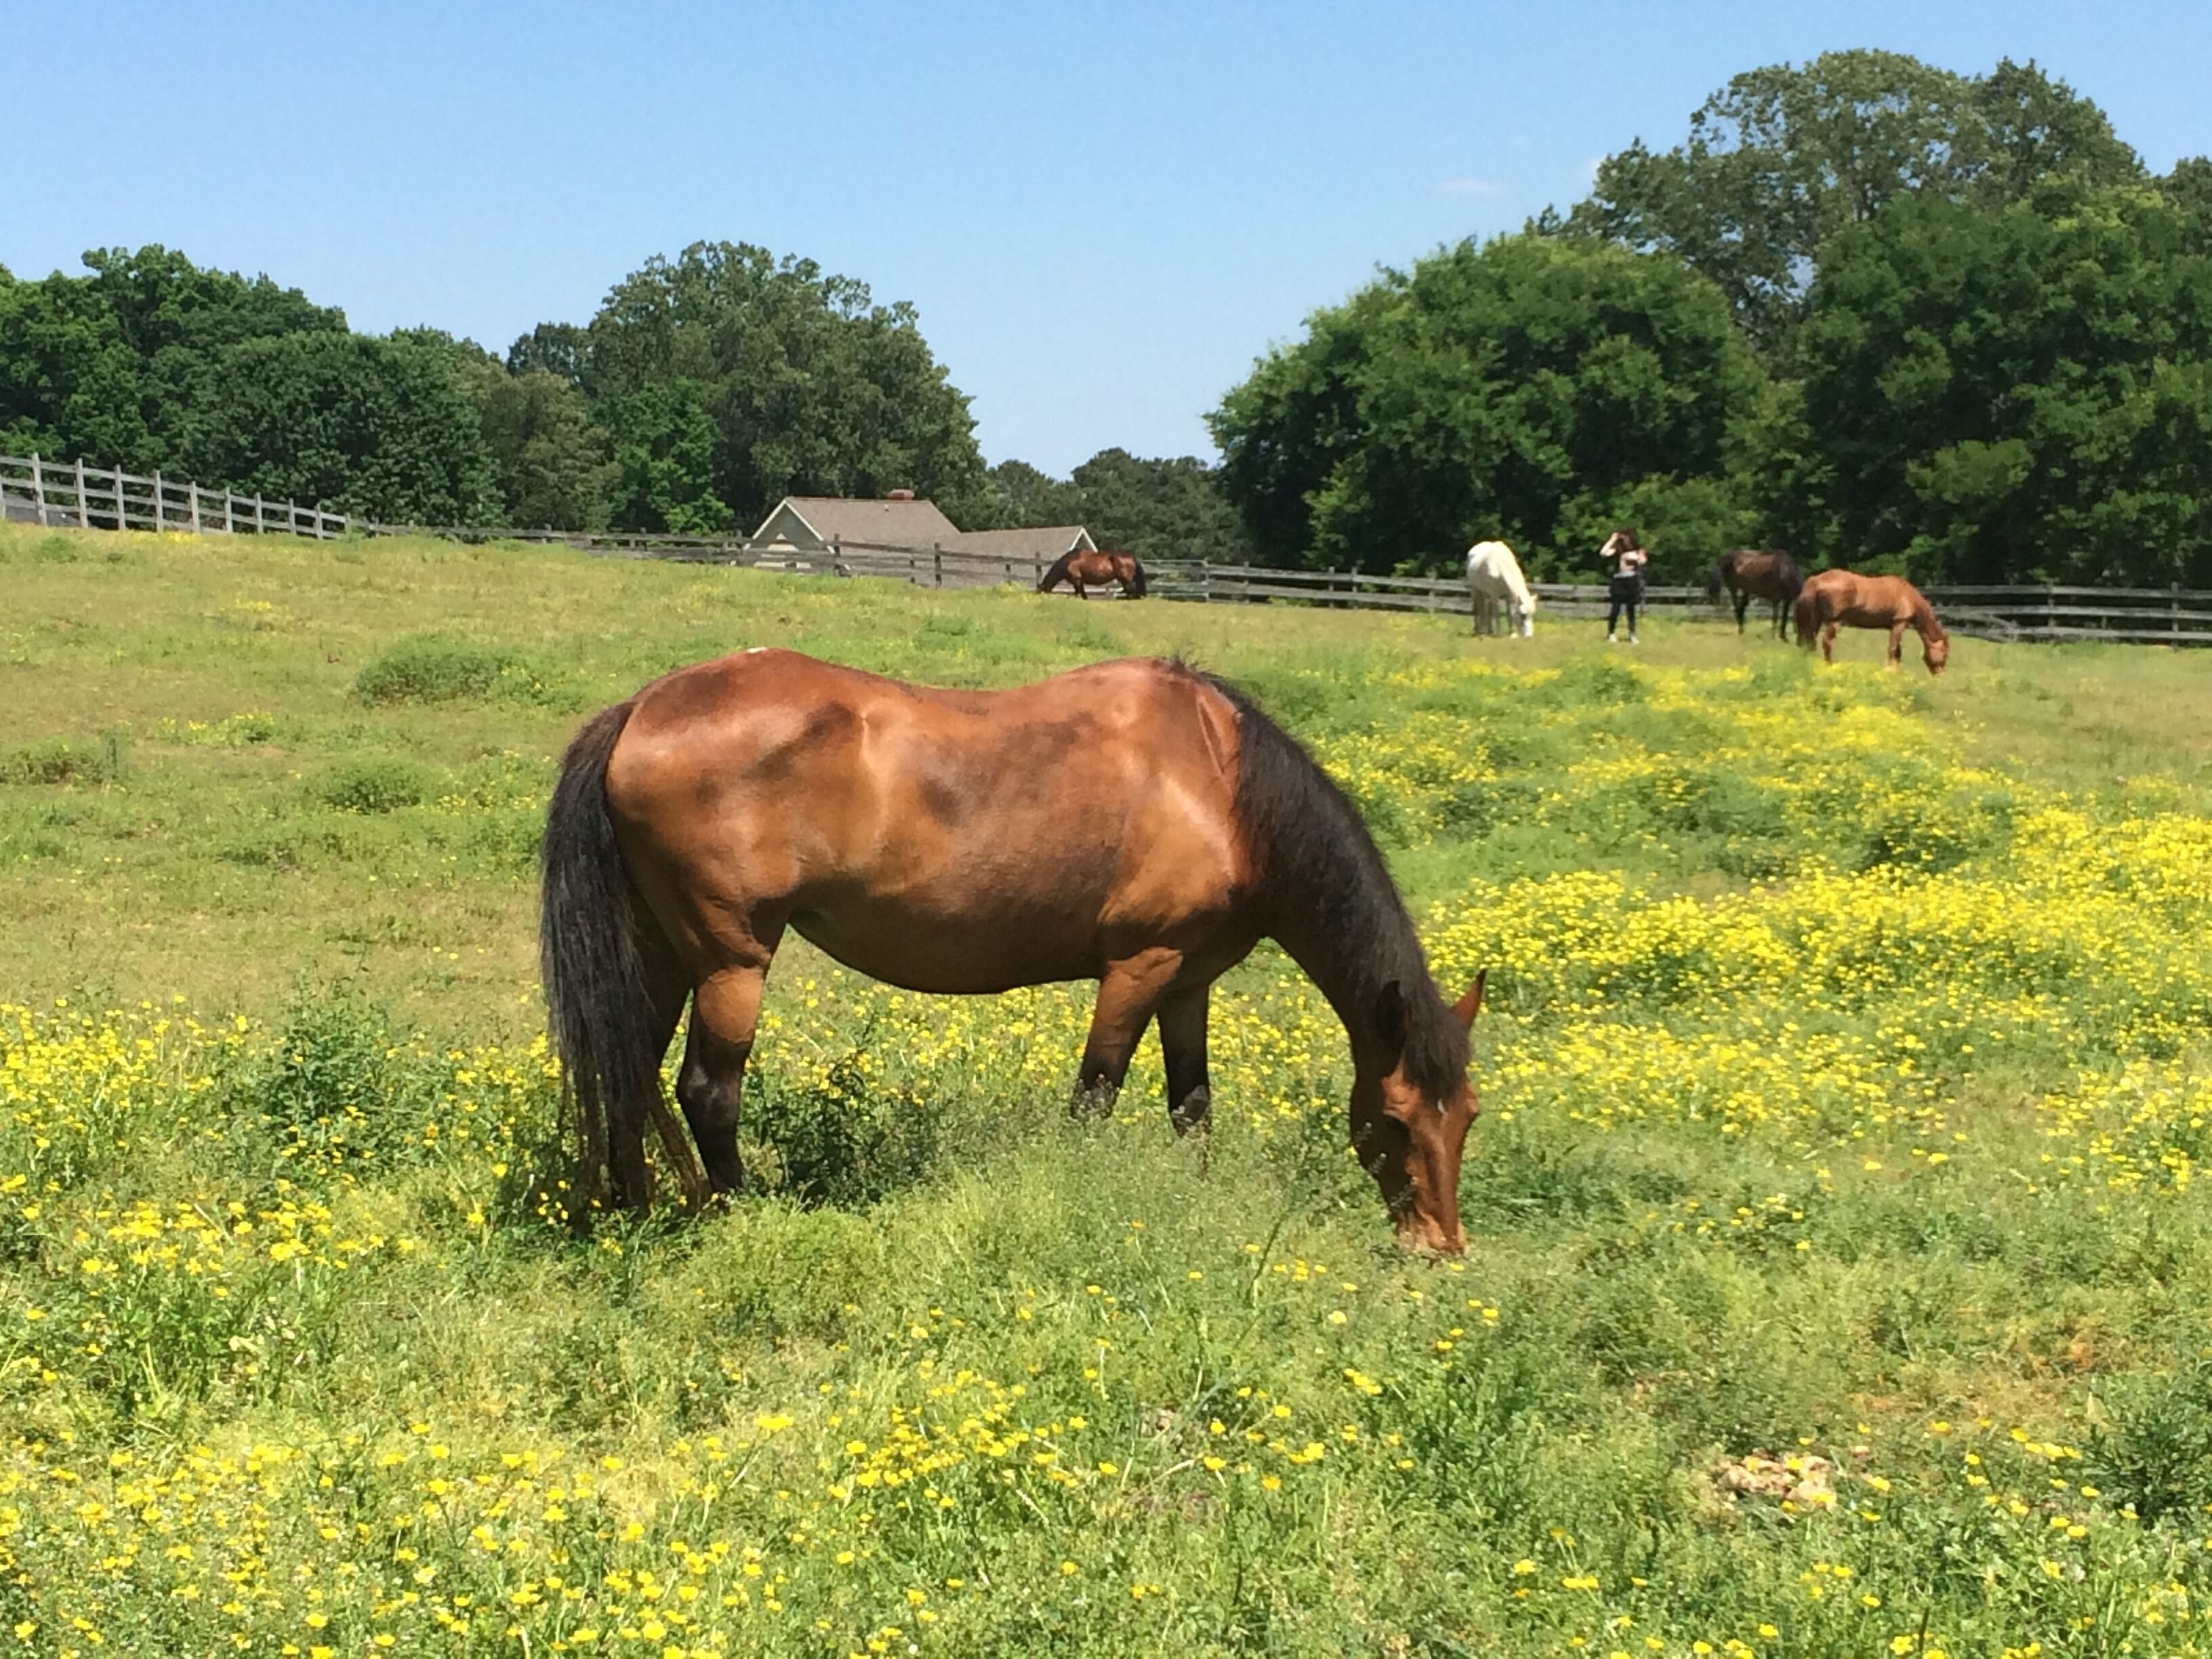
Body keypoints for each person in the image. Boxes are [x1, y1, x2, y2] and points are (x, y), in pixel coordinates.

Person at [1600, 529, 1648, 644]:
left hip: (1631, 581)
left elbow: (1643, 561)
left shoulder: (1638, 551)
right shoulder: (1618, 550)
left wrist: (1636, 558)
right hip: (1619, 580)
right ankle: (1611, 633)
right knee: (1615, 609)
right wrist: (1612, 540)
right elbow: (1603, 553)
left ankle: (1632, 634)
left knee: (1630, 609)